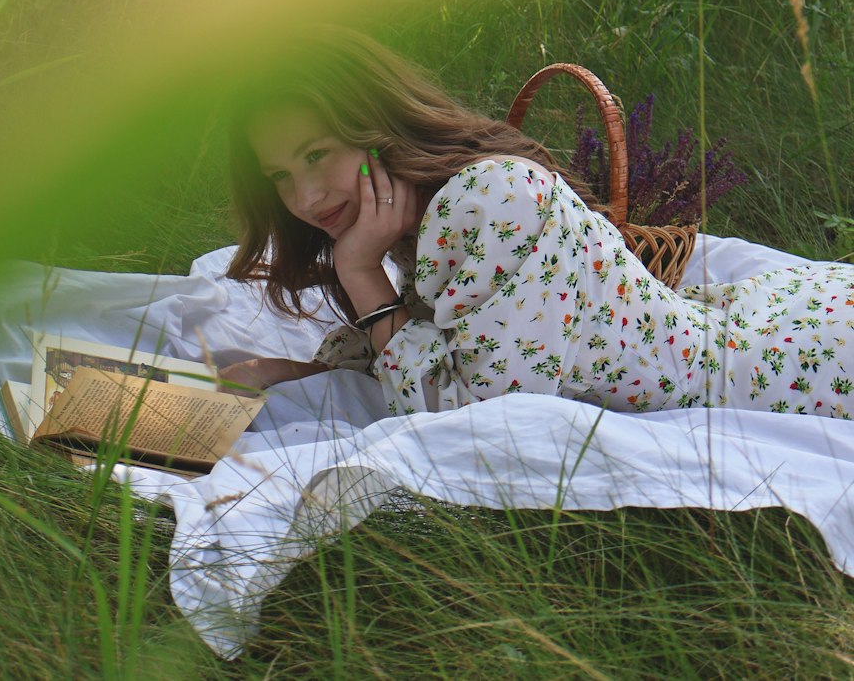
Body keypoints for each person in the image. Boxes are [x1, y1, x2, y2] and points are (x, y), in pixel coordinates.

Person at [221, 26, 854, 418]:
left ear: (376, 127)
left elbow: (469, 414)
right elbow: (445, 339)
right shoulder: (430, 210)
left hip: (778, 377)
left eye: (317, 154)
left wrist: (361, 273)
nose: (304, 197)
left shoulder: (491, 200)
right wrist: (304, 372)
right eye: (279, 175)